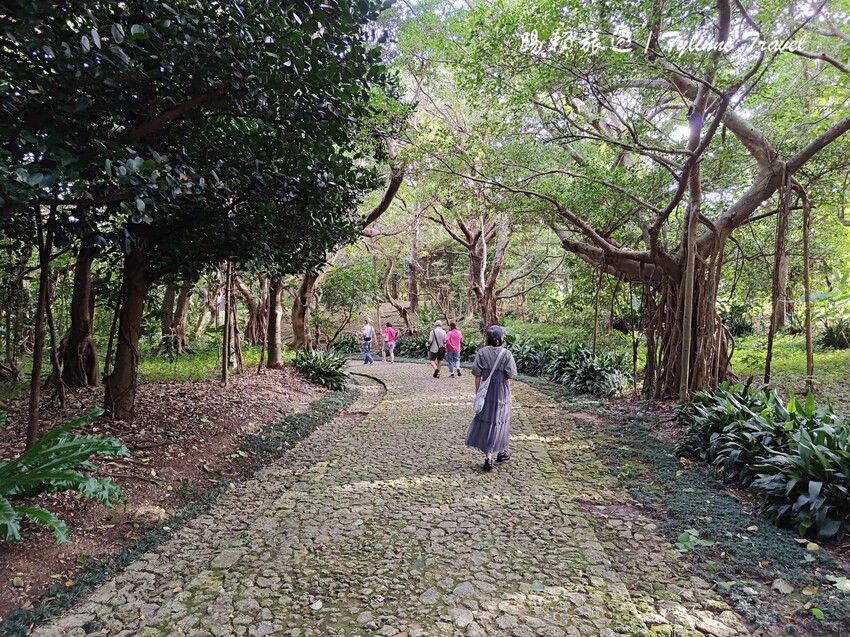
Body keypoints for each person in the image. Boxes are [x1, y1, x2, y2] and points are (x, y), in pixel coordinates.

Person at [465, 325, 518, 472]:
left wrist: (478, 393)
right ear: (500, 339)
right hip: (502, 391)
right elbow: (510, 375)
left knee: (486, 422)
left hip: (486, 392)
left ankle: (488, 458)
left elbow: (477, 374)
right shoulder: (507, 354)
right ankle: (501, 452)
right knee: (501, 421)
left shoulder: (481, 353)